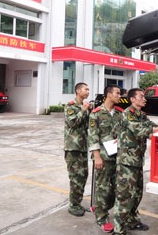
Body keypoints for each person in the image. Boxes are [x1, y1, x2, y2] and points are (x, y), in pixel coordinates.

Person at [113, 88, 158, 235]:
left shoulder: (141, 115)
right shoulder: (127, 114)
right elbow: (140, 131)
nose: (144, 99)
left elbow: (151, 126)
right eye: (141, 96)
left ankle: (131, 221)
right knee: (125, 197)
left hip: (136, 161)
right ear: (132, 99)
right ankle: (119, 230)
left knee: (136, 194)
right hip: (126, 163)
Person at [88, 85, 123, 233]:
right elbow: (93, 137)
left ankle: (100, 207)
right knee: (102, 188)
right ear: (108, 94)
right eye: (117, 93)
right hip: (102, 156)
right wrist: (97, 157)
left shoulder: (119, 113)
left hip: (117, 156)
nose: (119, 96)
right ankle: (101, 218)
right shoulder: (96, 114)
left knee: (117, 188)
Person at [64, 82, 92, 216]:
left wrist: (90, 110)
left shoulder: (84, 106)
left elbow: (89, 125)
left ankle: (77, 203)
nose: (88, 92)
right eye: (85, 89)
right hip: (73, 148)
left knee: (83, 176)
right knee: (75, 178)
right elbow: (72, 123)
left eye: (88, 90)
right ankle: (73, 205)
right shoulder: (70, 106)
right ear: (78, 91)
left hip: (83, 147)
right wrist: (83, 110)